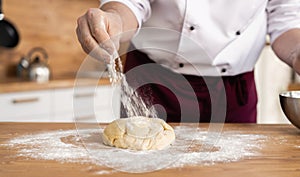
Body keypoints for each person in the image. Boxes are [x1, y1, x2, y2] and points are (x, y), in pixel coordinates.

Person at [76, 0, 300, 123]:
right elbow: (129, 4)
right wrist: (111, 20)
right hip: (156, 84)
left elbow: (286, 17)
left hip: (232, 91)